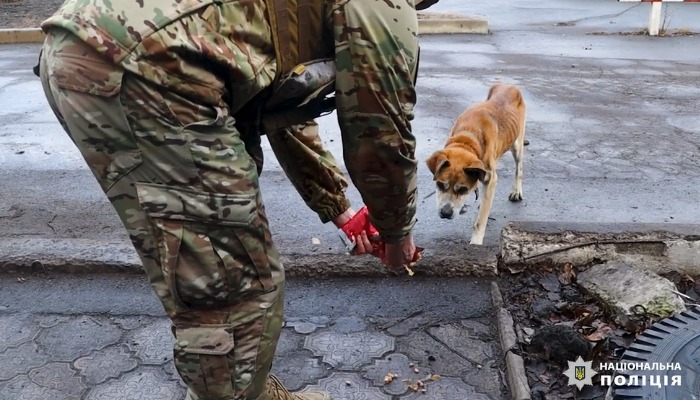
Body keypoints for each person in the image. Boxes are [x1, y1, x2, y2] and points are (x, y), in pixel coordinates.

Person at [36, 0, 439, 398]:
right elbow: (381, 136)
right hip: (146, 67)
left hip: (90, 48)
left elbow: (288, 107)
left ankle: (250, 393)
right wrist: (397, 234)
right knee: (235, 290)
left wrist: (340, 208)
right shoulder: (383, 6)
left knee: (210, 268)